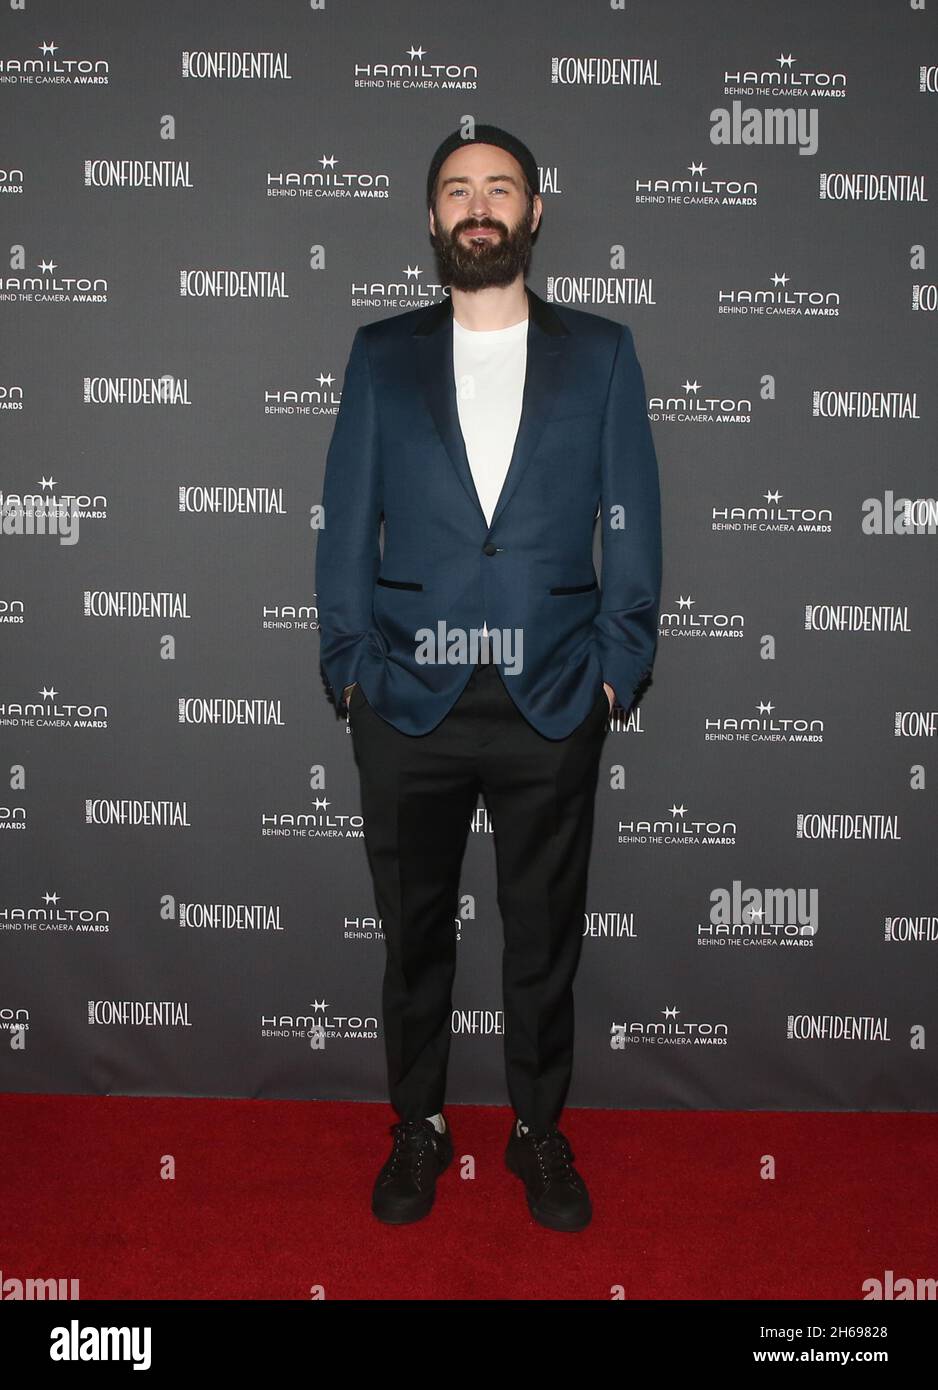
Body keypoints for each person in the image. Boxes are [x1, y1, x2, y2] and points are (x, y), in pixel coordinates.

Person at [315, 124, 662, 1232]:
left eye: (498, 189)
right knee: (413, 938)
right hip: (407, 703)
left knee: (542, 938)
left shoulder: (601, 354)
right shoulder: (380, 354)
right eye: (456, 190)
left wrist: (618, 667)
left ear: (533, 211)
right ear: (430, 219)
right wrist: (348, 671)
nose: (477, 206)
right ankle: (416, 1126)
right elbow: (341, 532)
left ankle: (535, 1131)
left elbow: (634, 528)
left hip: (553, 698)